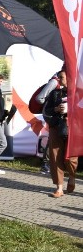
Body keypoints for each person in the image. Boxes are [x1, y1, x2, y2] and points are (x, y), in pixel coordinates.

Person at [43, 70, 78, 198]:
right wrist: (56, 109)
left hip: (73, 128)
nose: (59, 79)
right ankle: (59, 187)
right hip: (56, 127)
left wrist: (71, 109)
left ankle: (72, 177)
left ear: (69, 78)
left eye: (61, 77)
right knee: (55, 156)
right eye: (58, 77)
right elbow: (46, 111)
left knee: (71, 157)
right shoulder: (55, 93)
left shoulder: (78, 93)